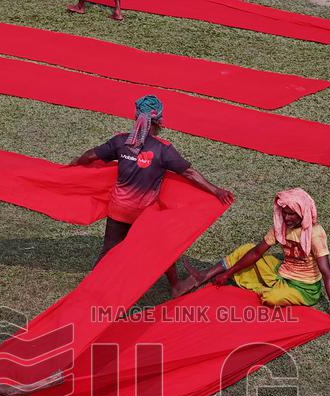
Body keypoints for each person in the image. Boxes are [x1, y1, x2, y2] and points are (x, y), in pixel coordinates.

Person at [71, 95, 234, 295]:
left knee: (109, 249)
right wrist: (216, 190)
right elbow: (189, 173)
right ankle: (176, 286)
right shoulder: (163, 149)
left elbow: (90, 156)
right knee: (163, 249)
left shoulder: (121, 142)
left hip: (118, 209)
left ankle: (91, 289)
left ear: (136, 116)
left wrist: (75, 164)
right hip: (144, 213)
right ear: (158, 121)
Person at [175, 189, 330, 326]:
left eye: (291, 214)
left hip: (305, 288)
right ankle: (206, 274)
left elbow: (326, 273)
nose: (287, 218)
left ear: (302, 213)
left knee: (270, 298)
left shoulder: (315, 233)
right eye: (285, 213)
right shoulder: (280, 226)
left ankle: (261, 284)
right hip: (282, 272)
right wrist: (228, 273)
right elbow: (256, 252)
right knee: (246, 249)